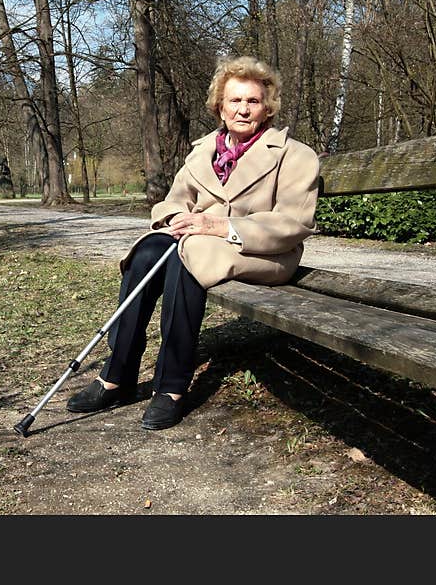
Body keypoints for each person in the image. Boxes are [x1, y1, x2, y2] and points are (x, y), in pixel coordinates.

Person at [66, 55, 320, 430]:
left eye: (253, 101)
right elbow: (172, 199)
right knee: (150, 249)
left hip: (262, 253)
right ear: (220, 105)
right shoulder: (203, 151)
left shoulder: (294, 155)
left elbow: (293, 222)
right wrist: (173, 220)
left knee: (190, 253)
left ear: (268, 108)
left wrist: (219, 226)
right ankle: (117, 375)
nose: (243, 109)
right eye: (235, 100)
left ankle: (170, 387)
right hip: (204, 243)